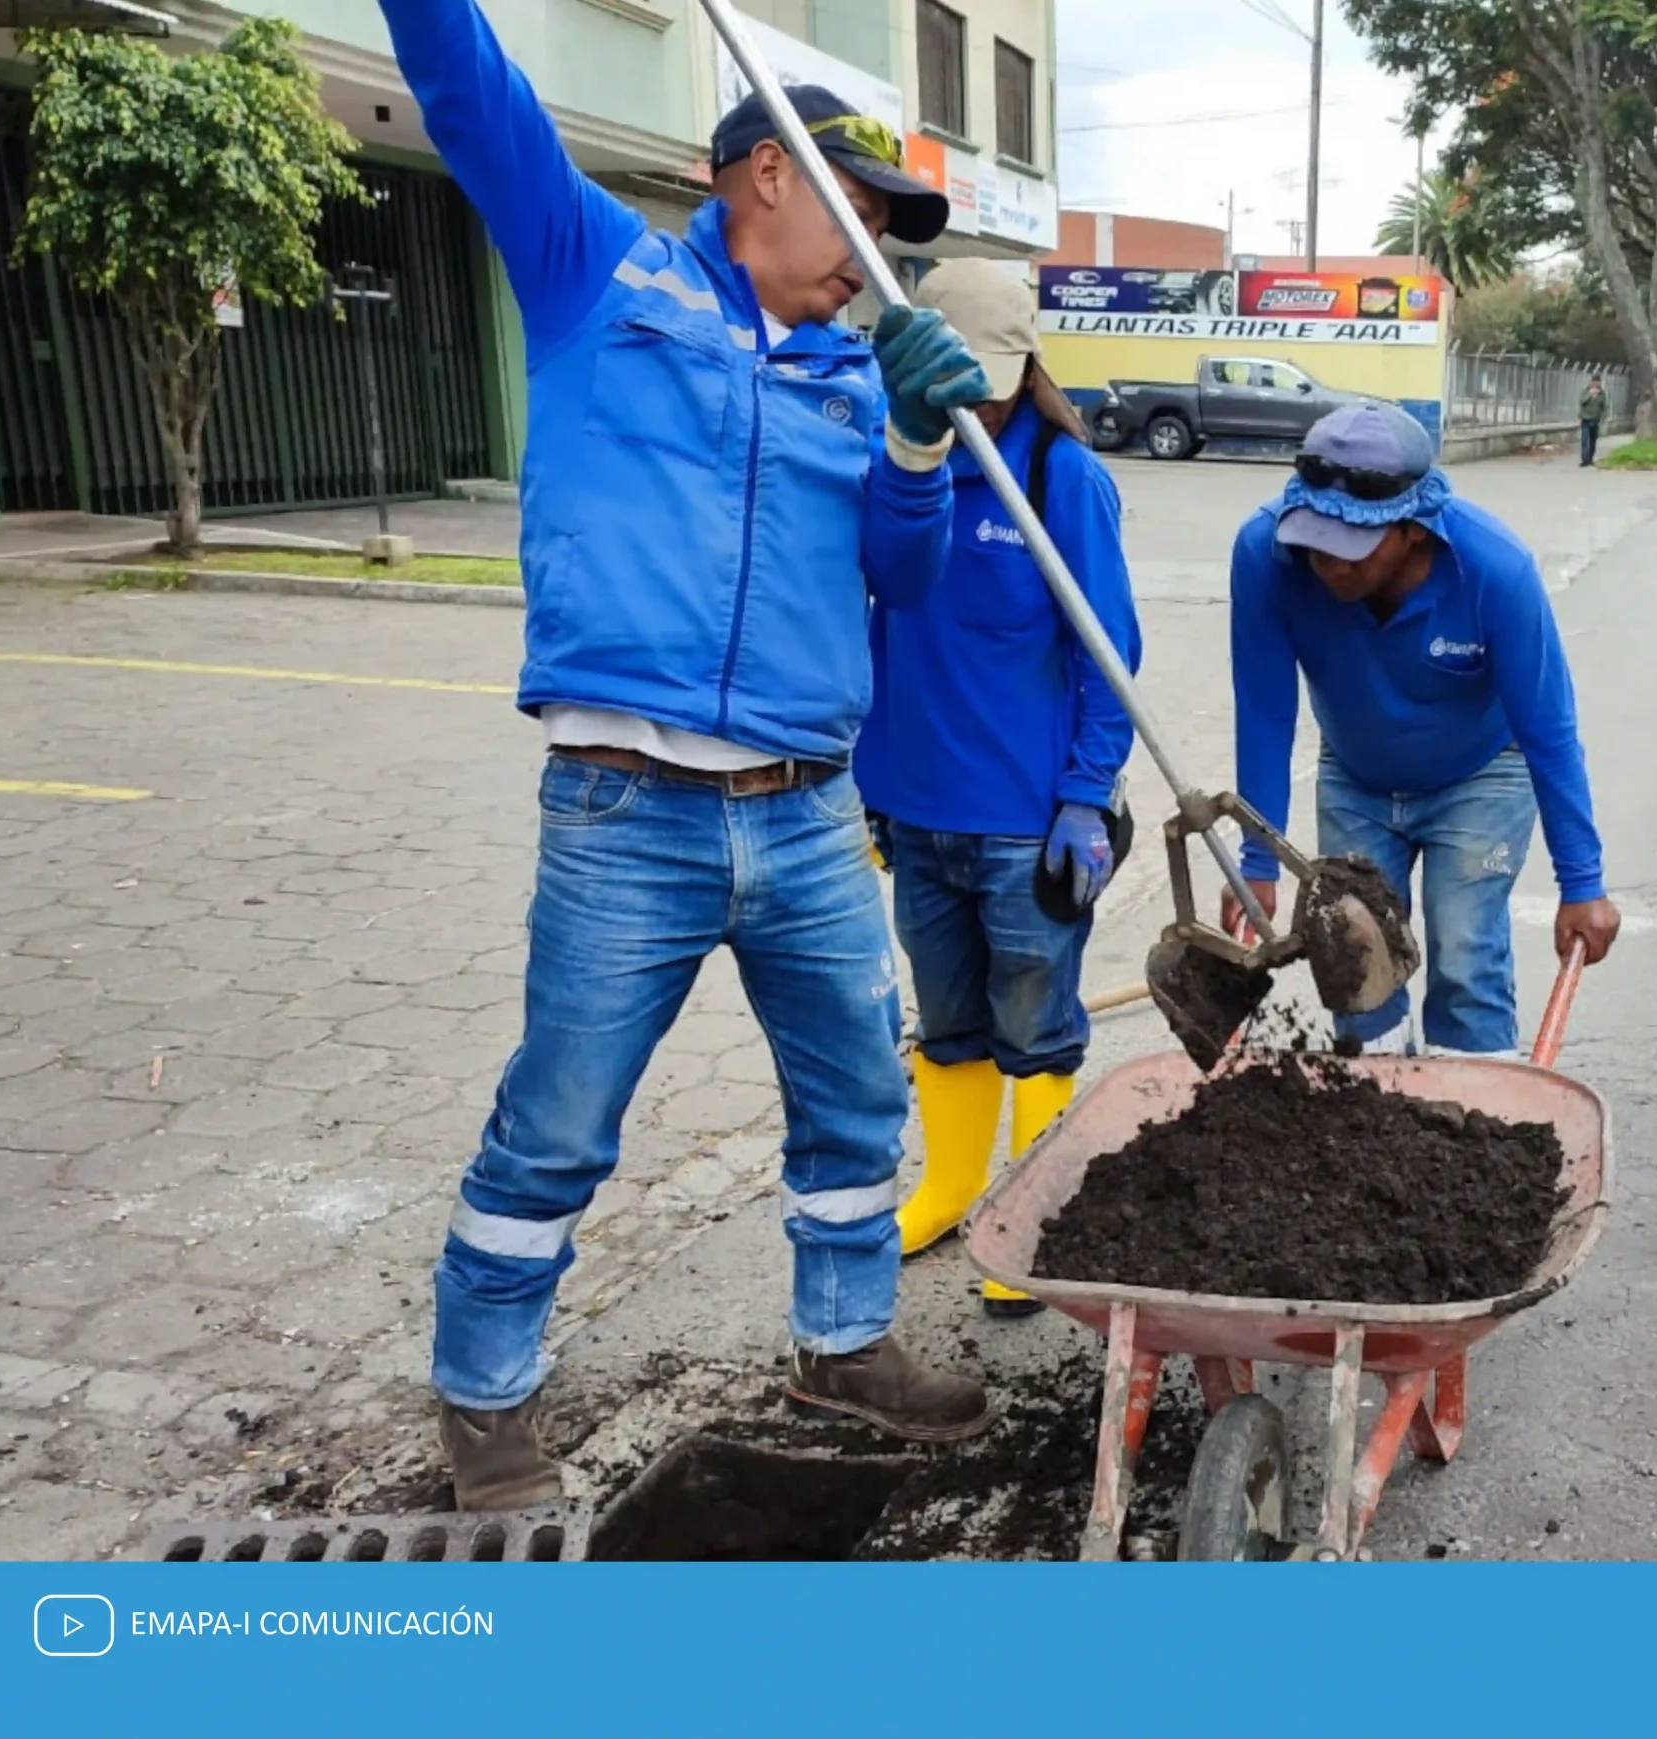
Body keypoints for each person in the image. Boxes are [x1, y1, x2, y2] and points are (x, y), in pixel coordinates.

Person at [378, 0, 1002, 1509]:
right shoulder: (598, 270)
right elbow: (466, 87)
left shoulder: (856, 378)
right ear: (763, 176)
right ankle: (486, 1401)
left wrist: (917, 450)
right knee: (559, 1122)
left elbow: (900, 580)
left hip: (803, 814)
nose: (880, 256)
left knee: (859, 1098)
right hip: (624, 809)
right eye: (864, 212)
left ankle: (846, 1340)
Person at [856, 261, 1142, 1320]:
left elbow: (1109, 649)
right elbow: (874, 626)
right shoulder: (897, 466)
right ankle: (948, 1186)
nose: (977, 399)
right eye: (957, 377)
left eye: (994, 378)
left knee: (1038, 1019)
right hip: (918, 813)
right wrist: (872, 786)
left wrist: (1083, 790)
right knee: (947, 1020)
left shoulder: (1061, 477)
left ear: (1028, 371)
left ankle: (1030, 1212)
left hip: (1029, 822)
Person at [1224, 403, 1623, 1057]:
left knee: (1465, 952)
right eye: (1315, 540)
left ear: (1413, 528)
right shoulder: (1268, 553)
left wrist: (1582, 883)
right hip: (1356, 772)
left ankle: (1475, 1119)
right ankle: (1373, 1122)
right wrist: (1256, 863)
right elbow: (1265, 710)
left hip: (1481, 774)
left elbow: (1548, 728)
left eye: (1352, 547)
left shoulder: (1494, 570)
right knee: (1355, 960)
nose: (1328, 562)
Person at [1579, 375, 1608, 467]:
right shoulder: (1585, 391)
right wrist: (1590, 395)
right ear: (1591, 383)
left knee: (1592, 440)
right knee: (1585, 440)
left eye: (1598, 382)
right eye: (1594, 382)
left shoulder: (1602, 394)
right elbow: (1582, 402)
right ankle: (1585, 460)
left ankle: (1590, 459)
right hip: (1586, 419)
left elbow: (1604, 406)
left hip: (1595, 419)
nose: (1596, 384)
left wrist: (1604, 418)